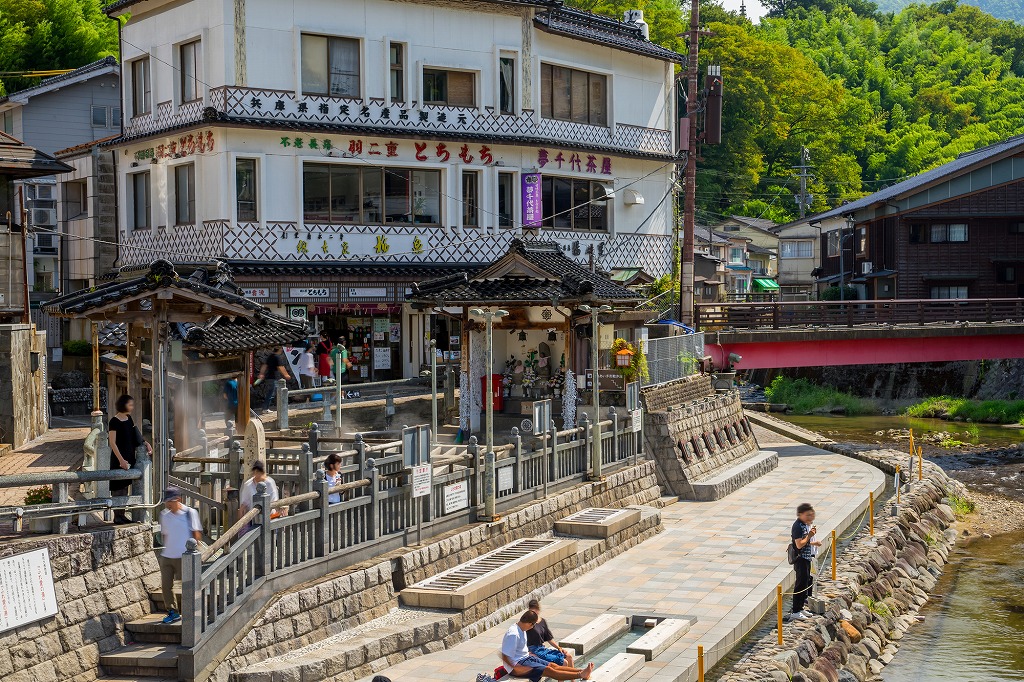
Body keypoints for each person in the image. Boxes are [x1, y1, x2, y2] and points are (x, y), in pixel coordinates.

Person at [500, 610, 593, 681]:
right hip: (518, 666)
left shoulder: (521, 629)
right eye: (533, 625)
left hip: (527, 659)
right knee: (549, 671)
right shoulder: (513, 634)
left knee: (553, 665)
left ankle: (582, 671)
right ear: (529, 623)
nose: (533, 627)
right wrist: (517, 669)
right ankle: (580, 675)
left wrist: (530, 654)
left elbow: (519, 650)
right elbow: (505, 656)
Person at [157, 487, 202, 624]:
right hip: (167, 555)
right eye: (166, 502)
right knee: (166, 586)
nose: (168, 504)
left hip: (185, 556)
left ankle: (191, 611)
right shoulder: (164, 515)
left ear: (178, 500)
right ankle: (173, 612)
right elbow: (164, 535)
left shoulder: (190, 513)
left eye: (170, 501)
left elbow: (196, 534)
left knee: (188, 585)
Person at [107, 394, 152, 524]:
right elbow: (112, 443)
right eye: (130, 404)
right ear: (123, 404)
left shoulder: (129, 418)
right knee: (117, 488)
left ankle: (122, 514)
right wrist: (120, 460)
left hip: (129, 457)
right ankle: (117, 516)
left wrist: (145, 442)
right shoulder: (113, 421)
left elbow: (136, 435)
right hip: (118, 458)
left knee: (125, 487)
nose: (131, 407)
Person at [790, 502, 821, 619]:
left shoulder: (804, 525)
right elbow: (799, 545)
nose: (810, 517)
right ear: (800, 514)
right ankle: (795, 611)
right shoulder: (797, 526)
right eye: (807, 515)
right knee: (800, 584)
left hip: (807, 558)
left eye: (811, 515)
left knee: (805, 583)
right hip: (800, 559)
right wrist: (809, 535)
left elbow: (806, 542)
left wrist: (810, 537)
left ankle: (801, 608)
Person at [526, 599, 573, 667]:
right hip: (535, 651)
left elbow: (549, 638)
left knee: (568, 656)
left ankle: (574, 677)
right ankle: (567, 676)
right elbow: (522, 639)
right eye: (532, 611)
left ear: (538, 610)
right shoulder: (528, 623)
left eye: (535, 611)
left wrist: (559, 648)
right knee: (564, 662)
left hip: (542, 649)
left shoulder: (542, 621)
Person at [258, 346, 291, 413]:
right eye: (281, 348)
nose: (282, 350)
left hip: (269, 377)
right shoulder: (277, 357)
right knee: (271, 393)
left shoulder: (270, 356)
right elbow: (280, 367)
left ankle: (269, 407)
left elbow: (264, 365)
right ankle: (265, 408)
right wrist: (286, 375)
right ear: (279, 349)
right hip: (273, 378)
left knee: (271, 393)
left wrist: (261, 373)